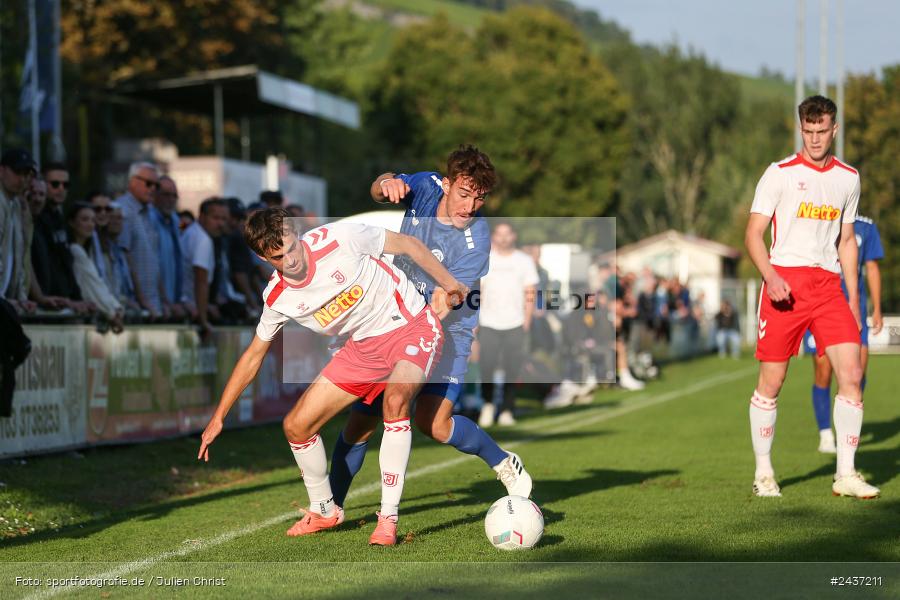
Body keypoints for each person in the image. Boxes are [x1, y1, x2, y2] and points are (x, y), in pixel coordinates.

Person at [197, 207, 467, 546]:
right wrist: (219, 416)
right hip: (361, 350)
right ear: (263, 258)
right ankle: (325, 510)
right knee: (296, 425)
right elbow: (253, 355)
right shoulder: (277, 298)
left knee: (395, 401)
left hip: (410, 326)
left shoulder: (341, 238)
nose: (291, 260)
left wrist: (450, 285)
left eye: (292, 247)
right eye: (278, 257)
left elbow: (409, 244)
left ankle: (387, 518)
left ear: (297, 235)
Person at [328, 146, 533, 513]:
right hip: (397, 319)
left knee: (434, 424)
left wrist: (394, 335)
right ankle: (330, 507)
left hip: (447, 331)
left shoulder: (477, 239)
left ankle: (502, 461)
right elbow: (380, 188)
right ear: (448, 184)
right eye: (464, 194)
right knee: (362, 419)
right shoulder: (426, 186)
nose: (469, 207)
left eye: (479, 199)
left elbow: (444, 302)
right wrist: (386, 183)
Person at [744, 94, 877, 499]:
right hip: (784, 285)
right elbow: (752, 235)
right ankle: (764, 472)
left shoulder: (848, 178)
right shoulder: (778, 174)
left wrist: (854, 300)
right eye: (808, 131)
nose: (815, 139)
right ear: (800, 129)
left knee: (851, 374)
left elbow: (848, 240)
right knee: (773, 381)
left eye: (822, 131)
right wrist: (771, 275)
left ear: (834, 130)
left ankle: (846, 474)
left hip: (828, 286)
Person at [803, 214, 884, 454]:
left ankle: (847, 430)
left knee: (857, 374)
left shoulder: (866, 227)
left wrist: (877, 308)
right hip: (820, 308)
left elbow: (871, 267)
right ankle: (826, 433)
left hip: (854, 312)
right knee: (823, 371)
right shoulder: (815, 219)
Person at [478, 221, 540, 427]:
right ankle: (487, 405)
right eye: (499, 234)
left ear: (513, 236)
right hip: (488, 322)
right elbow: (478, 291)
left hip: (516, 323)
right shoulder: (486, 259)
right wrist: (474, 321)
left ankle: (506, 409)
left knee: (512, 369)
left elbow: (530, 292)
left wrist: (527, 321)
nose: (503, 238)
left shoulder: (524, 261)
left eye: (507, 234)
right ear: (494, 236)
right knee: (486, 366)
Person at [67, 203, 124, 332]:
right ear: (72, 222)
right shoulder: (75, 250)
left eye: (93, 220)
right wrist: (112, 311)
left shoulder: (87, 250)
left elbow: (98, 283)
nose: (90, 224)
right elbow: (92, 284)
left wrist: (115, 307)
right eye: (85, 219)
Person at [117, 162, 164, 317]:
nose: (152, 189)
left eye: (156, 186)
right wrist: (142, 300)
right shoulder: (122, 210)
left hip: (153, 304)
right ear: (132, 181)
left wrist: (164, 300)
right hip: (135, 306)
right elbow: (125, 258)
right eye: (148, 183)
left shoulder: (151, 212)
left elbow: (154, 261)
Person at [180, 198, 228, 335]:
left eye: (224, 219)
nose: (220, 224)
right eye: (216, 218)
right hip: (190, 311)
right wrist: (203, 320)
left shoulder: (192, 232)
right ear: (202, 217)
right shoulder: (203, 240)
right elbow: (201, 281)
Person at [0, 149, 37, 314]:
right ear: (2, 170)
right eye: (17, 172)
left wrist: (21, 298)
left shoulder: (15, 204)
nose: (22, 179)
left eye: (26, 174)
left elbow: (21, 257)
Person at [152, 176, 185, 319]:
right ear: (155, 195)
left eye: (174, 196)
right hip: (155, 304)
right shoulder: (149, 220)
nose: (171, 199)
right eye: (166, 194)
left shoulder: (174, 221)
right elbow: (152, 265)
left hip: (172, 305)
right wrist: (163, 299)